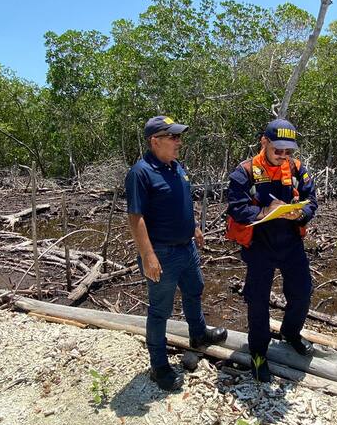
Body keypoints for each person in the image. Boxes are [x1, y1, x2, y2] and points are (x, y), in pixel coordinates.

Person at [125, 115, 227, 391]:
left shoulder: (176, 167)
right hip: (162, 253)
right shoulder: (141, 172)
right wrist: (147, 256)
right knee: (160, 311)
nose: (179, 141)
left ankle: (198, 335)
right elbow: (136, 218)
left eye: (179, 136)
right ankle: (159, 366)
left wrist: (194, 226)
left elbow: (180, 200)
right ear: (154, 141)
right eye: (173, 137)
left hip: (187, 247)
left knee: (195, 290)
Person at [225, 119, 318, 382]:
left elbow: (313, 201)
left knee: (301, 293)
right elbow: (236, 208)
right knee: (257, 302)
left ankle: (291, 333)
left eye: (289, 151)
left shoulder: (298, 169)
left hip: (291, 243)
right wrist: (264, 211)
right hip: (259, 246)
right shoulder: (245, 171)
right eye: (278, 150)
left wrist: (300, 214)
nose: (284, 156)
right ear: (264, 143)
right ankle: (258, 353)